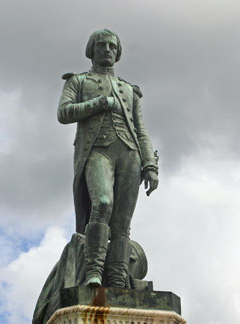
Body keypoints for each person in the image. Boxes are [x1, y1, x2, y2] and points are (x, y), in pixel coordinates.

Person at [57, 29, 158, 288]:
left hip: (129, 154)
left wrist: (150, 164)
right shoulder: (78, 82)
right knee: (102, 204)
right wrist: (100, 103)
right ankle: (93, 269)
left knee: (122, 224)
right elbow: (64, 113)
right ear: (91, 50)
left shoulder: (129, 90)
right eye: (101, 45)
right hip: (96, 151)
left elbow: (141, 130)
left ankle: (116, 277)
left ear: (118, 52)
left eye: (112, 46)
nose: (107, 50)